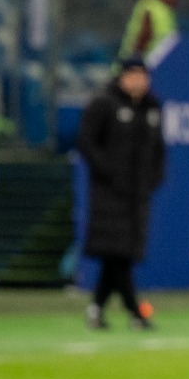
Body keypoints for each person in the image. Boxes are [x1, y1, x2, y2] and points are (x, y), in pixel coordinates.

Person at [76, 57, 166, 330]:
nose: (138, 81)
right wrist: (109, 173)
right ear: (122, 77)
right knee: (117, 255)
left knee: (118, 256)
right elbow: (86, 141)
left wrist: (153, 178)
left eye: (142, 75)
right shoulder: (104, 103)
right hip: (109, 193)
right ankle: (135, 312)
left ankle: (97, 309)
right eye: (132, 75)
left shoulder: (152, 107)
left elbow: (159, 150)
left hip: (138, 195)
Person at [116, 0, 178, 68]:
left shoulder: (148, 4)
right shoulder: (166, 8)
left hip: (137, 67)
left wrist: (130, 65)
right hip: (158, 65)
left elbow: (143, 36)